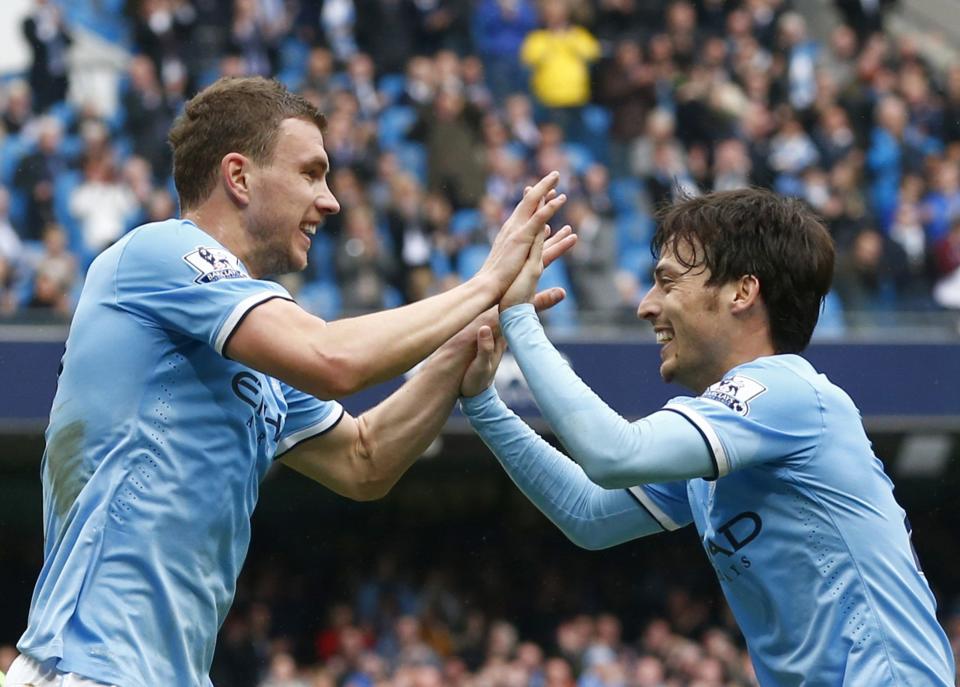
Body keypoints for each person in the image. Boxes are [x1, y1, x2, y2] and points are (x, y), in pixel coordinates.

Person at [7, 76, 575, 687]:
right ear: (239, 176)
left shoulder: (256, 341)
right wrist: (482, 284)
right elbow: (333, 360)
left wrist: (461, 344)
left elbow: (365, 460)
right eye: (310, 173)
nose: (330, 200)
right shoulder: (158, 254)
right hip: (86, 669)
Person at [457, 188, 956, 684]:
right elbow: (590, 515)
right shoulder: (723, 434)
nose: (645, 306)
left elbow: (612, 454)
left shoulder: (788, 392)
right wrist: (484, 405)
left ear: (742, 292)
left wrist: (520, 316)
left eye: (668, 283)